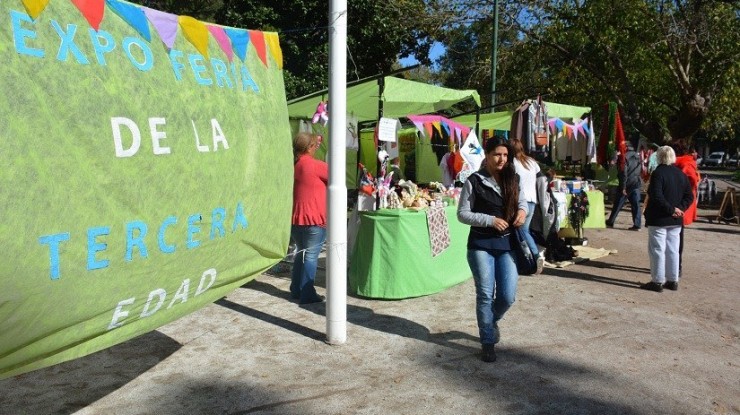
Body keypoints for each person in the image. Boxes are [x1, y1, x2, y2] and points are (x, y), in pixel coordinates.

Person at [457, 137, 528, 362]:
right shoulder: (474, 181)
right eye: (497, 154)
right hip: (480, 245)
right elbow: (462, 213)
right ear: (487, 155)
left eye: (506, 155)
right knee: (485, 295)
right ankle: (487, 341)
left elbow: (523, 203)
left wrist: (523, 212)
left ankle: (490, 321)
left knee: (507, 296)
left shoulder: (513, 179)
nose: (502, 159)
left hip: (507, 244)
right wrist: (490, 220)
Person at [641, 146, 693, 292]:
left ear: (658, 157)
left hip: (659, 218)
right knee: (673, 250)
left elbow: (656, 195)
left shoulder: (658, 173)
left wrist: (672, 209)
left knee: (657, 249)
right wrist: (680, 209)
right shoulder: (680, 174)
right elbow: (689, 196)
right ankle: (673, 280)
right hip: (675, 220)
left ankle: (657, 281)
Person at [290, 132, 328, 304]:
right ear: (310, 148)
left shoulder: (294, 165)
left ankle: (296, 288)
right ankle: (307, 293)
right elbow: (337, 176)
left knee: (301, 253)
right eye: (315, 144)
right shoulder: (316, 165)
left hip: (296, 219)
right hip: (314, 218)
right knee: (311, 256)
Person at [510, 138, 544, 273]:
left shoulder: (513, 163)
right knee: (525, 230)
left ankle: (536, 255)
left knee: (523, 231)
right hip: (532, 200)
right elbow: (541, 177)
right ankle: (528, 257)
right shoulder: (531, 161)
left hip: (521, 201)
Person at [671, 140, 700, 278]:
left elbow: (692, 181)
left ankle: (677, 266)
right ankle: (675, 266)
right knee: (675, 236)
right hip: (681, 205)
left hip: (679, 205)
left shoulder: (683, 164)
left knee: (675, 236)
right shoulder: (685, 163)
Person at [606, 140, 642, 230]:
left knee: (618, 203)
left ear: (625, 147)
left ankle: (611, 221)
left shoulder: (624, 157)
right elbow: (640, 169)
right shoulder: (637, 156)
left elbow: (623, 173)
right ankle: (637, 224)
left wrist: (623, 187)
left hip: (626, 183)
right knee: (636, 205)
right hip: (636, 183)